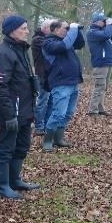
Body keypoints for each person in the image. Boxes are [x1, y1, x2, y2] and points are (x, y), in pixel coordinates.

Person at [0, 16, 41, 201]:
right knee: (6, 148)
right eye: (23, 28)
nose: (27, 31)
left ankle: (15, 180)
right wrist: (9, 115)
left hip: (25, 110)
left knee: (22, 145)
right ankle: (3, 185)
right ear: (12, 30)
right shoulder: (3, 54)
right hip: (12, 112)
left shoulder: (20, 50)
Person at [41, 21, 85, 152]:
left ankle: (58, 139)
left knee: (68, 113)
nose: (67, 30)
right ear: (55, 29)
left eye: (68, 28)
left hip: (73, 82)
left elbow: (80, 44)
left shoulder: (66, 41)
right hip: (60, 83)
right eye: (65, 28)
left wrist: (77, 30)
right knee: (58, 113)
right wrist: (72, 30)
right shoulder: (48, 43)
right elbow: (64, 46)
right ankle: (47, 141)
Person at [86, 12, 112, 116]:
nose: (105, 23)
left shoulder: (104, 31)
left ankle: (100, 109)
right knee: (99, 86)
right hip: (101, 63)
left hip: (107, 62)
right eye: (103, 21)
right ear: (97, 22)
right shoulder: (92, 32)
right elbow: (106, 35)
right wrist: (109, 25)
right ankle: (93, 110)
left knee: (104, 87)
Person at [31, 19, 54, 135]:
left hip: (50, 75)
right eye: (51, 28)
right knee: (43, 101)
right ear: (45, 28)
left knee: (51, 101)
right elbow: (50, 46)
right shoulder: (37, 40)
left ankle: (46, 125)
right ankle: (39, 126)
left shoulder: (44, 39)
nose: (53, 31)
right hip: (43, 74)